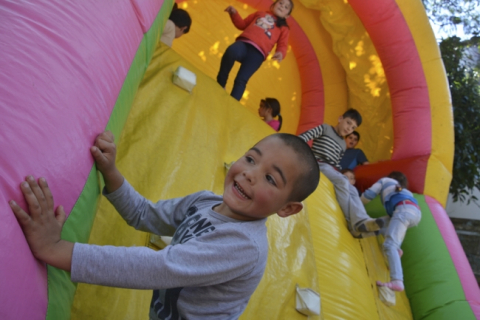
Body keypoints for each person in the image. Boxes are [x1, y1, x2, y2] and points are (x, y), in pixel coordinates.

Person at [10, 131, 319, 320]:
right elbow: (146, 214)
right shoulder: (205, 201)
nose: (250, 173)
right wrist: (111, 172)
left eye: (270, 178)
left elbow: (157, 268)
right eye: (251, 159)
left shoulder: (243, 247)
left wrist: (57, 249)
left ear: (288, 208)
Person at [298, 109, 386, 238]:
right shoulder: (325, 128)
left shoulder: (343, 144)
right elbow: (304, 137)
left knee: (353, 190)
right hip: (318, 163)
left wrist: (342, 174)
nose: (349, 128)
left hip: (330, 168)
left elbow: (337, 163)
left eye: (353, 127)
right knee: (342, 181)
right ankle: (353, 223)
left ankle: (363, 220)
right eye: (348, 123)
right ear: (340, 119)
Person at [216, 0, 293, 100]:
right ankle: (220, 83)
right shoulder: (260, 13)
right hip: (244, 44)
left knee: (241, 79)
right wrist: (234, 13)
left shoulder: (284, 28)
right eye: (280, 3)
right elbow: (242, 24)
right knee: (231, 51)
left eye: (286, 7)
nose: (282, 6)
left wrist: (280, 53)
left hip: (257, 54)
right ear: (273, 5)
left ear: (287, 16)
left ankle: (232, 104)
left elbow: (283, 45)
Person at [361, 171, 421, 292]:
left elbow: (368, 195)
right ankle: (396, 252)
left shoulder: (385, 181)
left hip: (403, 210)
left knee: (389, 244)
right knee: (378, 225)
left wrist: (355, 205)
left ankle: (397, 280)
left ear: (391, 177)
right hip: (413, 213)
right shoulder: (405, 191)